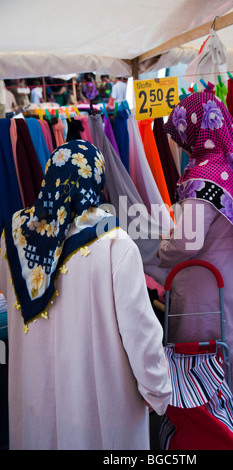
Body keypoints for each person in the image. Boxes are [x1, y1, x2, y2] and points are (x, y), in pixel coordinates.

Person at [0, 139, 171, 450]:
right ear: (97, 182)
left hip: (35, 400)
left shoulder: (12, 240)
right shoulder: (114, 245)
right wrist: (158, 391)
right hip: (98, 409)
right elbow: (141, 335)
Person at [157, 91, 233, 448]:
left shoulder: (203, 175)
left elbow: (186, 243)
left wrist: (161, 247)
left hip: (212, 286)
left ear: (194, 130)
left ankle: (216, 435)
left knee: (209, 361)